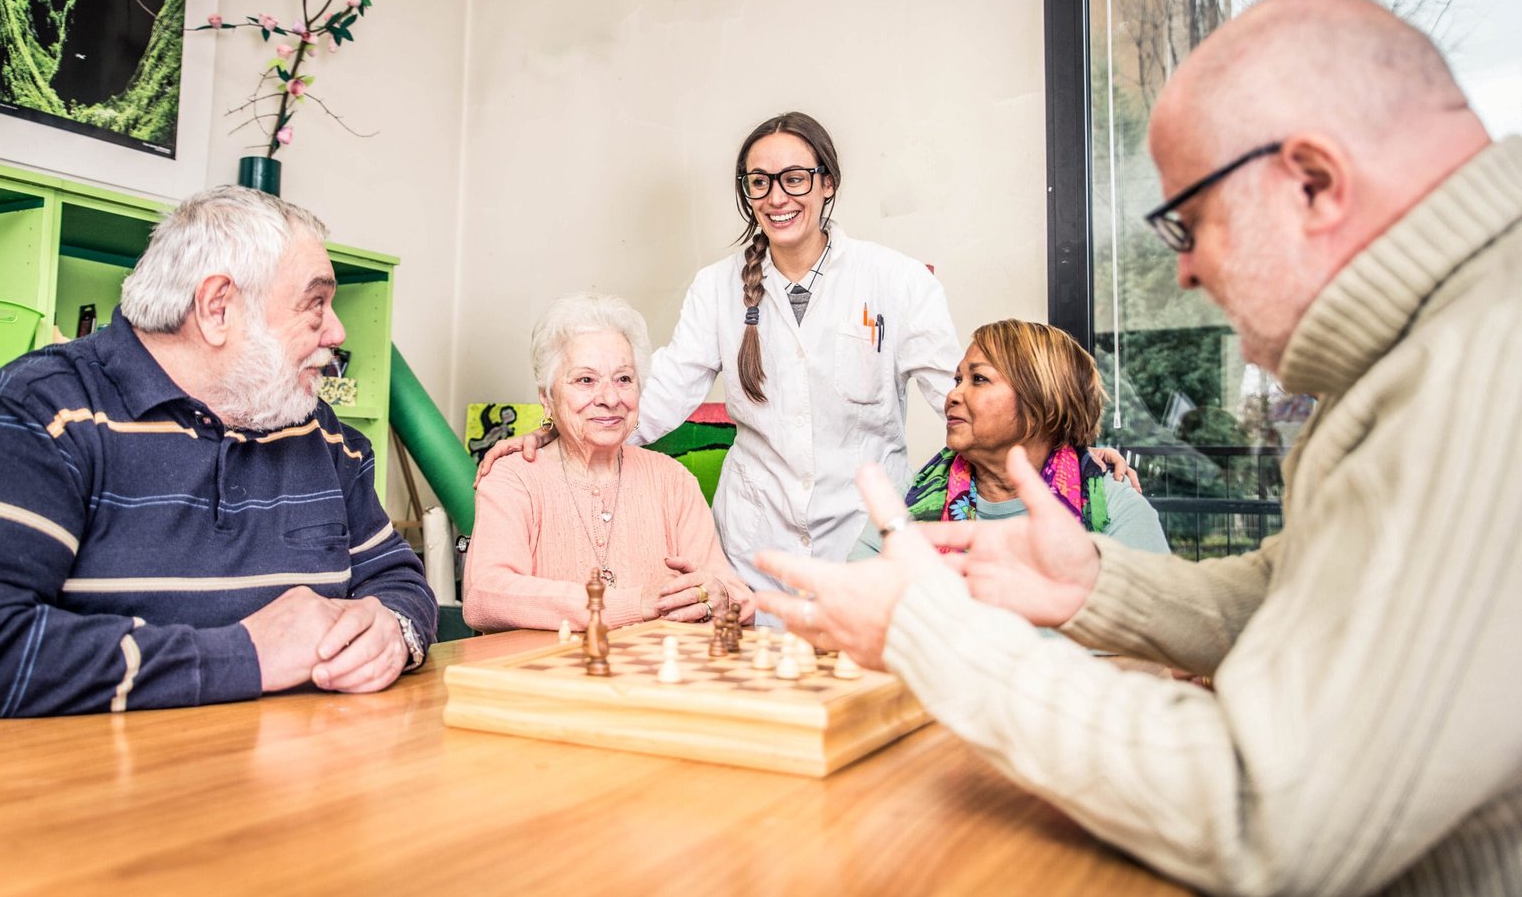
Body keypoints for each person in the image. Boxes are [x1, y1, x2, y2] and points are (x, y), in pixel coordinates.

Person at [753, 0, 1522, 896]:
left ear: (1313, 183)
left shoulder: (1482, 362)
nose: (1184, 271)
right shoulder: (1434, 343)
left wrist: (929, 632)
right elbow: (1298, 592)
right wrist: (1097, 583)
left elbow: (1271, 816)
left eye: (1189, 224)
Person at [479, 112, 1134, 612]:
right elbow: (658, 396)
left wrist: (1068, 448)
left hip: (865, 541)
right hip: (753, 544)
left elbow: (960, 398)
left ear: (827, 184)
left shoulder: (897, 281)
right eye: (759, 182)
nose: (777, 196)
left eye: (795, 178)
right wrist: (556, 435)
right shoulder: (716, 288)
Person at [0, 186, 435, 725]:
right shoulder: (37, 412)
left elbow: (398, 581)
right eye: (315, 304)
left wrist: (393, 628)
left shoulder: (319, 432)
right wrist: (246, 655)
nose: (337, 331)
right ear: (218, 307)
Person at [463, 293, 752, 632]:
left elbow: (735, 596)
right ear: (547, 397)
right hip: (546, 666)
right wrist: (633, 604)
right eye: (585, 380)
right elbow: (485, 596)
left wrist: (719, 597)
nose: (610, 398)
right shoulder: (513, 478)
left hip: (653, 667)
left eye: (624, 379)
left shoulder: (672, 480)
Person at [847, 319, 1166, 560]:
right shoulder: (908, 500)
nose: (953, 395)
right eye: (958, 380)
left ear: (1043, 402)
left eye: (979, 379)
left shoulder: (1116, 511)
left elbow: (1153, 626)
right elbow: (857, 599)